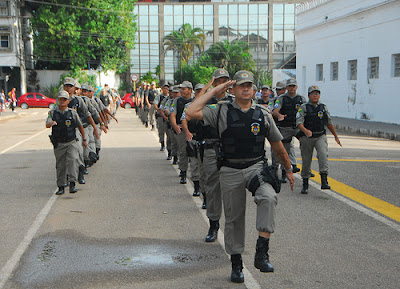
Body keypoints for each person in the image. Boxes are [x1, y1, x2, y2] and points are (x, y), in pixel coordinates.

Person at [186, 70, 294, 284]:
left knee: (268, 198)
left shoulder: (262, 113)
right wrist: (216, 89)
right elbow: (191, 111)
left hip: (256, 167)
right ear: (233, 89)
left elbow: (277, 144)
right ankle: (236, 263)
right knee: (234, 218)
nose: (246, 89)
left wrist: (288, 168)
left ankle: (262, 252)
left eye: (249, 85)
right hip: (230, 170)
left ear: (254, 89)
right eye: (241, 85)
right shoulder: (221, 111)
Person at [296, 86, 342, 194]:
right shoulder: (304, 107)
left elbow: (328, 122)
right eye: (313, 93)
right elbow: (298, 122)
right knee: (306, 160)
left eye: (317, 93)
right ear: (308, 96)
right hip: (307, 138)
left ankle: (324, 180)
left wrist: (335, 136)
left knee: (323, 155)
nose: (315, 95)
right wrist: (305, 130)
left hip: (320, 136)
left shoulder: (323, 107)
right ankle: (305, 183)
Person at [46, 90, 87, 195]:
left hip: (71, 142)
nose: (62, 101)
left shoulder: (72, 113)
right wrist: (51, 123)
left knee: (73, 160)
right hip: (59, 143)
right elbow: (47, 123)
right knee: (60, 165)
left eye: (65, 99)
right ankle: (61, 186)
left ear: (68, 101)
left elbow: (80, 126)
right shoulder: (53, 112)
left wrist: (84, 139)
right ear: (58, 100)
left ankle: (72, 183)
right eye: (60, 99)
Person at [272, 78, 305, 181]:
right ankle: (283, 172)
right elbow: (274, 110)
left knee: (306, 145)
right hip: (285, 127)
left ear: (296, 87)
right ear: (287, 87)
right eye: (289, 86)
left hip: (297, 127)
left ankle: (306, 170)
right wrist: (279, 115)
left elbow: (306, 111)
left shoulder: (301, 99)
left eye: (293, 86)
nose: (291, 88)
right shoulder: (281, 99)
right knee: (284, 150)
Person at [169, 81, 193, 184]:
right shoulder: (176, 101)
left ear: (190, 90)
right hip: (181, 130)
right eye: (181, 89)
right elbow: (172, 114)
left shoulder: (195, 100)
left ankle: (196, 177)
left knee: (194, 153)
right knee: (183, 151)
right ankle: (183, 172)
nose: (182, 91)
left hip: (193, 130)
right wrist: (175, 126)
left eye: (184, 89)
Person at [154, 83, 169, 151]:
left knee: (169, 133)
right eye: (164, 88)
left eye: (167, 89)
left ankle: (169, 147)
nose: (165, 90)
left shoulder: (170, 98)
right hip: (160, 116)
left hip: (168, 117)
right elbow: (155, 104)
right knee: (161, 131)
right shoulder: (159, 97)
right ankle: (162, 144)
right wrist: (159, 110)